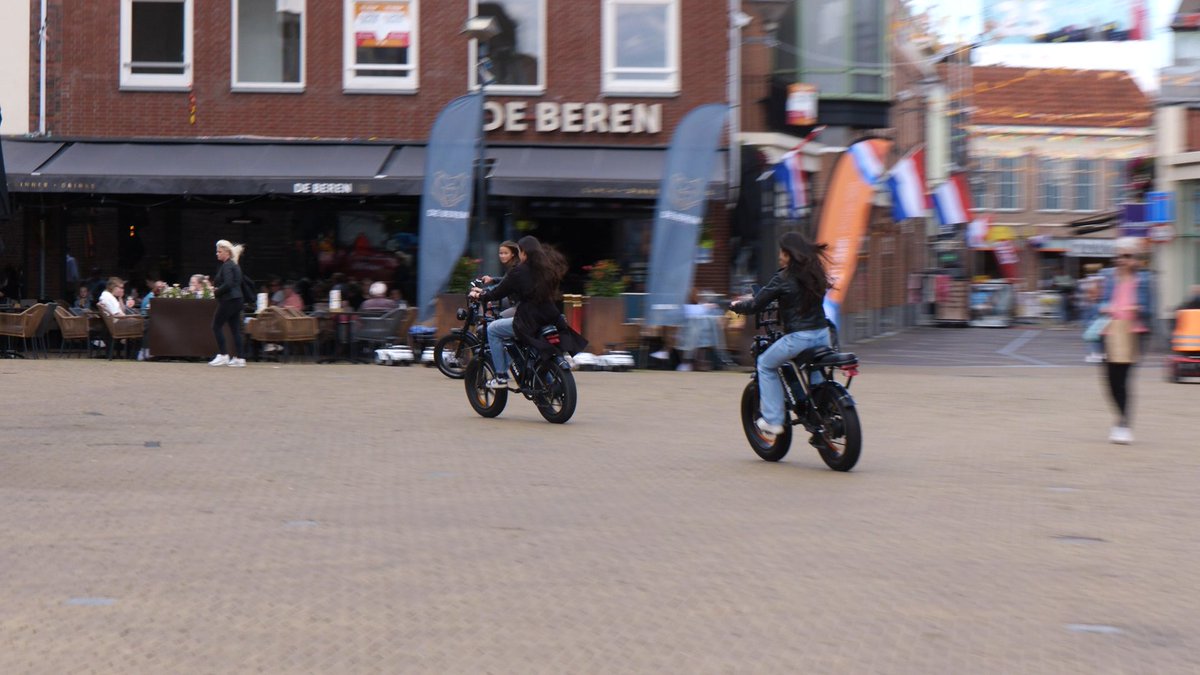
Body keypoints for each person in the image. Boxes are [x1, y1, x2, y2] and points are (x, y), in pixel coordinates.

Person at [729, 232, 833, 442]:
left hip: (799, 337)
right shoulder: (815, 272)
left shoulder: (784, 277)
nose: (779, 255)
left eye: (781, 251)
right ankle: (822, 415)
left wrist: (737, 306)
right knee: (816, 376)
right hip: (822, 335)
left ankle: (773, 420)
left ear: (789, 253)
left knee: (765, 363)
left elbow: (757, 304)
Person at [469, 235, 587, 389]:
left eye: (519, 251)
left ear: (523, 252)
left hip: (529, 319)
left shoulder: (518, 271)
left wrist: (479, 295)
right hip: (551, 315)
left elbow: (496, 294)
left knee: (493, 329)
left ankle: (501, 376)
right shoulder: (547, 268)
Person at [1097, 237, 1156, 445]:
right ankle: (1121, 419)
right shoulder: (1108, 277)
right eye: (1119, 256)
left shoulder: (1145, 280)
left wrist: (1137, 309)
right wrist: (1104, 307)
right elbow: (1101, 302)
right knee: (1109, 382)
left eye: (1127, 256)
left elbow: (1150, 310)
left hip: (1133, 333)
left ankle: (1123, 424)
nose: (1121, 260)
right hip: (1110, 332)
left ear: (1136, 259)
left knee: (1123, 381)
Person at [209, 239, 247, 367]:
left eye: (219, 251)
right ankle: (240, 358)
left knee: (216, 326)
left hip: (229, 300)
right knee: (235, 330)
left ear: (226, 252)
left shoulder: (227, 265)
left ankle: (223, 355)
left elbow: (229, 283)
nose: (217, 254)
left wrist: (216, 292)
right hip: (237, 300)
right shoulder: (234, 265)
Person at [481, 240, 521, 318]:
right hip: (512, 300)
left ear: (512, 254)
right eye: (501, 253)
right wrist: (492, 279)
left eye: (506, 253)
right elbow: (506, 280)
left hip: (518, 304)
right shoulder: (512, 266)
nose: (502, 256)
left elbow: (503, 286)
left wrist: (483, 291)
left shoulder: (515, 268)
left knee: (495, 321)